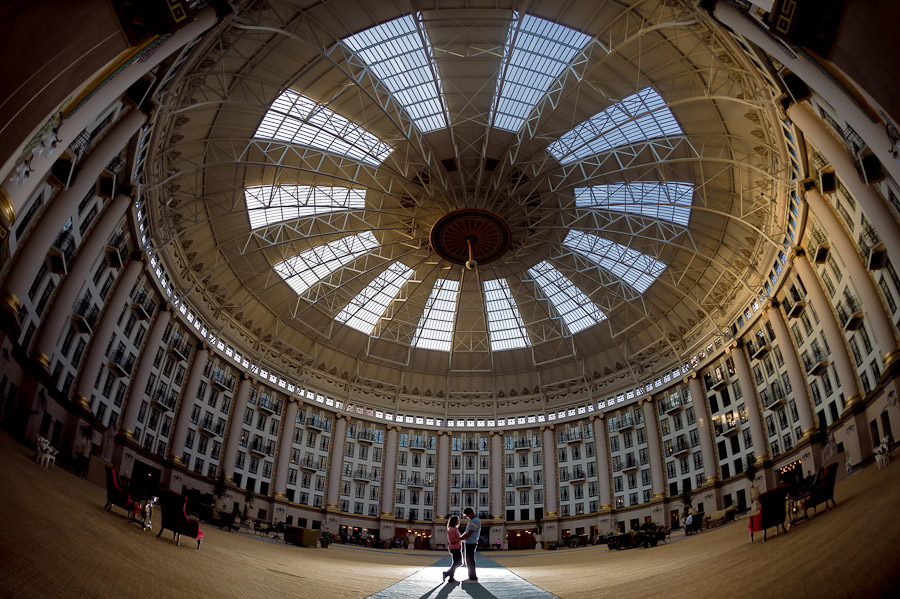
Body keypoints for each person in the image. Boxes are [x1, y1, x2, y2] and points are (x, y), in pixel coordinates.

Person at [458, 507, 481, 583]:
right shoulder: (471, 520)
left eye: (467, 515)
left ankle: (472, 578)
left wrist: (460, 539)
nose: (467, 517)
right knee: (469, 559)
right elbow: (466, 531)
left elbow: (469, 533)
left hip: (471, 542)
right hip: (468, 542)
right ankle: (472, 577)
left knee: (470, 560)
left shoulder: (475, 521)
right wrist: (461, 537)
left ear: (471, 513)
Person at [442, 515, 463, 583]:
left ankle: (451, 578)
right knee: (458, 563)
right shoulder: (452, 529)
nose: (459, 521)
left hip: (457, 548)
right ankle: (447, 574)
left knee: (456, 563)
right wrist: (461, 539)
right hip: (454, 548)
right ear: (455, 521)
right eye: (458, 520)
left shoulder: (455, 529)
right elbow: (452, 541)